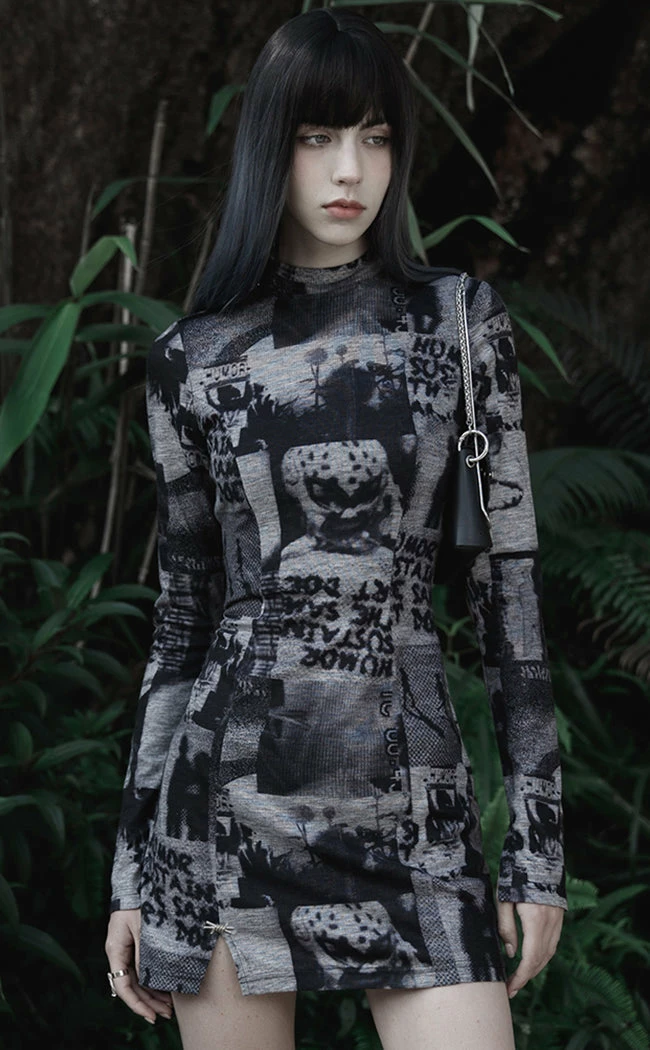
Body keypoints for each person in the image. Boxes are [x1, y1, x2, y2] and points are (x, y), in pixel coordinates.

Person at [104, 8, 566, 1050]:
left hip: (413, 804)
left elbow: (510, 596)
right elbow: (181, 626)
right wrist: (131, 872)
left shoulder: (458, 322)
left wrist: (537, 857)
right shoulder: (192, 357)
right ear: (272, 147)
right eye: (317, 137)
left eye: (375, 136)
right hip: (223, 810)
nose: (350, 169)